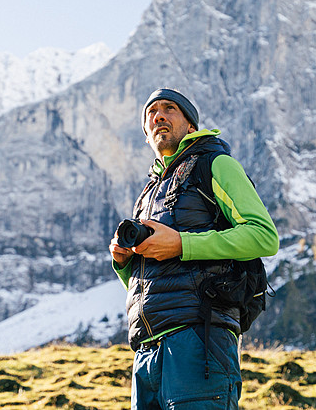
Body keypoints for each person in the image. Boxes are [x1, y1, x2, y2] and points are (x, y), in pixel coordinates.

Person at [109, 88, 279, 409]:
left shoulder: (215, 163)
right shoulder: (147, 195)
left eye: (169, 109)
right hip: (146, 351)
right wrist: (123, 263)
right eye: (151, 112)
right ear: (147, 134)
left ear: (190, 126)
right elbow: (151, 285)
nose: (158, 115)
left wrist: (181, 243)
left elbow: (263, 236)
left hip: (199, 341)